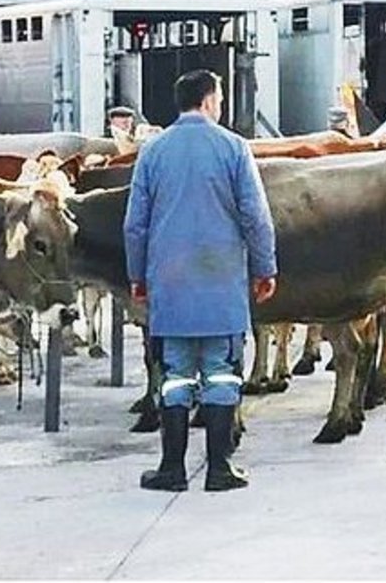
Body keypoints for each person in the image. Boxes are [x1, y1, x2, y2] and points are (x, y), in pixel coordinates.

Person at [125, 69, 277, 493]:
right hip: (221, 282)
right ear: (210, 100)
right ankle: (219, 468)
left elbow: (135, 225)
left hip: (169, 286)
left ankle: (171, 468)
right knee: (222, 374)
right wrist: (265, 268)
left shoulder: (153, 151)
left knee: (175, 375)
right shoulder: (233, 148)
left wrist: (138, 276)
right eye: (221, 97)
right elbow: (256, 216)